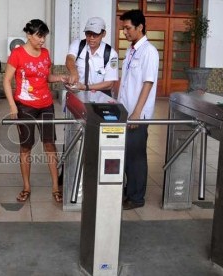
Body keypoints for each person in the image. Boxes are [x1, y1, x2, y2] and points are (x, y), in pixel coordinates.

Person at [3, 19, 68, 203]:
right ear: (29, 35)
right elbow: (7, 80)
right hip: (25, 105)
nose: (42, 41)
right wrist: (12, 105)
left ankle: (55, 187)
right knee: (26, 147)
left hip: (46, 104)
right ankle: (26, 187)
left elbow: (47, 77)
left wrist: (62, 77)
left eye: (44, 37)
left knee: (50, 145)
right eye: (39, 36)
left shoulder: (46, 54)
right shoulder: (17, 54)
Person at [118, 10, 159, 210]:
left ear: (140, 27)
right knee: (126, 155)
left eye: (128, 28)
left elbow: (148, 83)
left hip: (137, 115)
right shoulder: (131, 50)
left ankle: (136, 198)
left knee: (136, 156)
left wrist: (136, 112)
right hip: (125, 112)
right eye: (123, 28)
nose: (124, 32)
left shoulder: (149, 51)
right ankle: (128, 190)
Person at [65, 17, 119, 97]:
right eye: (88, 34)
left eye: (95, 34)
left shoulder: (111, 53)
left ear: (103, 34)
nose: (91, 38)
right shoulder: (78, 44)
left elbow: (109, 84)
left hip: (100, 97)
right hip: (78, 94)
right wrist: (74, 72)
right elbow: (70, 59)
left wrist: (85, 87)